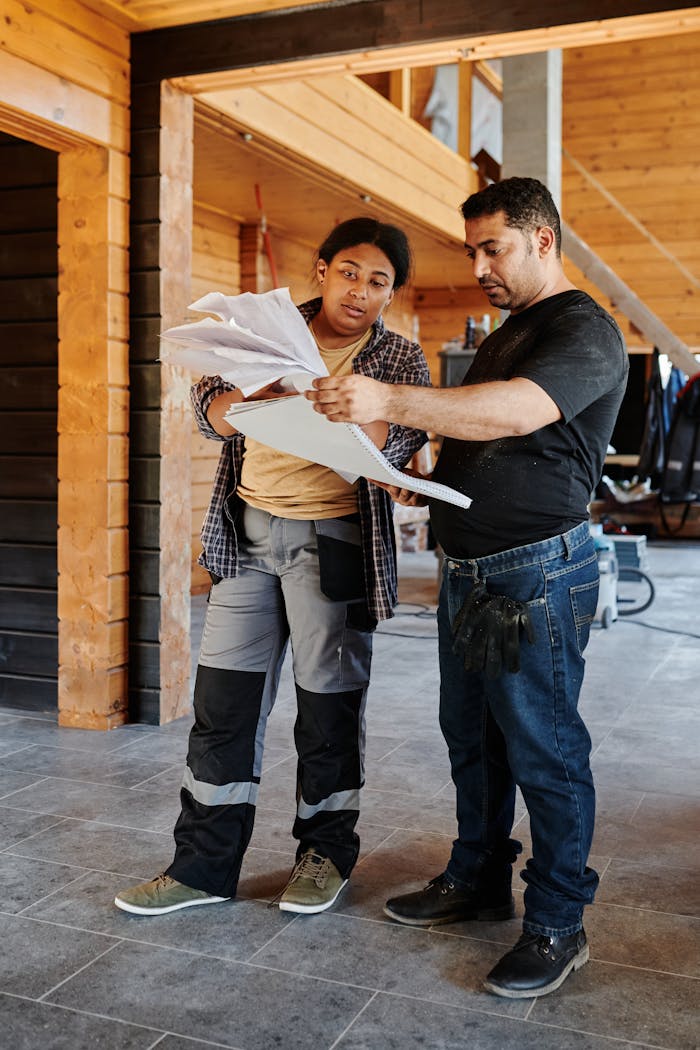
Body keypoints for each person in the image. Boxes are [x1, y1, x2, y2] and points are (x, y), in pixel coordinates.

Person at [306, 178, 629, 997]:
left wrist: (385, 396)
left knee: (545, 751)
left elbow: (517, 413)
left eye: (496, 249)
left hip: (535, 576)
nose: (480, 265)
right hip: (468, 570)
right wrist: (423, 477)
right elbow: (478, 433)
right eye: (473, 250)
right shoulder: (511, 330)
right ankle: (478, 880)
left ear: (544, 240)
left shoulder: (586, 329)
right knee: (472, 742)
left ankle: (559, 922)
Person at [115, 217, 431, 917]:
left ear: (390, 295)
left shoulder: (401, 360)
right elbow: (210, 413)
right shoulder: (266, 333)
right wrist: (256, 399)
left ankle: (324, 856)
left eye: (379, 282)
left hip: (336, 547)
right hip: (246, 542)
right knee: (223, 709)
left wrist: (348, 404)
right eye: (349, 271)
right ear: (322, 269)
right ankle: (201, 867)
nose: (360, 290)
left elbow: (401, 436)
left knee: (328, 710)